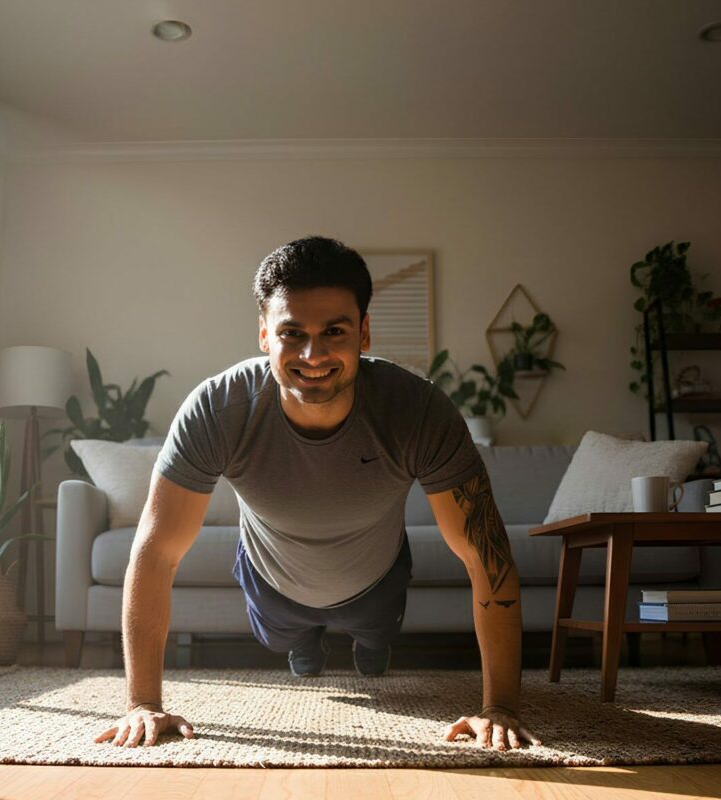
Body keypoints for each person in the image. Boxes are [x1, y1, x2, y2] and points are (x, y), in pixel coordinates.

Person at [93, 236, 537, 751]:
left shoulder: (418, 411)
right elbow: (157, 553)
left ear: (364, 333)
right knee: (291, 642)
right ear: (264, 335)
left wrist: (500, 707)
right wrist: (142, 703)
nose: (313, 353)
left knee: (375, 643)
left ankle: (368, 648)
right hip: (271, 583)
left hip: (377, 582)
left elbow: (487, 556)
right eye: (292, 333)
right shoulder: (218, 409)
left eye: (334, 331)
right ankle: (304, 644)